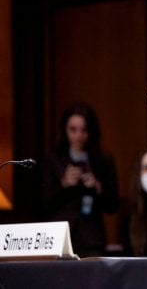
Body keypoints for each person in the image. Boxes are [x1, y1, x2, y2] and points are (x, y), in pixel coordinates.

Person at [43, 103, 119, 257]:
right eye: (73, 129)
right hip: (60, 236)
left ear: (91, 131)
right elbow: (42, 203)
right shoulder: (54, 160)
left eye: (84, 130)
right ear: (64, 130)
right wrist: (63, 184)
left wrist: (98, 187)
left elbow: (113, 205)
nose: (78, 135)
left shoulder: (103, 160)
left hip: (92, 238)